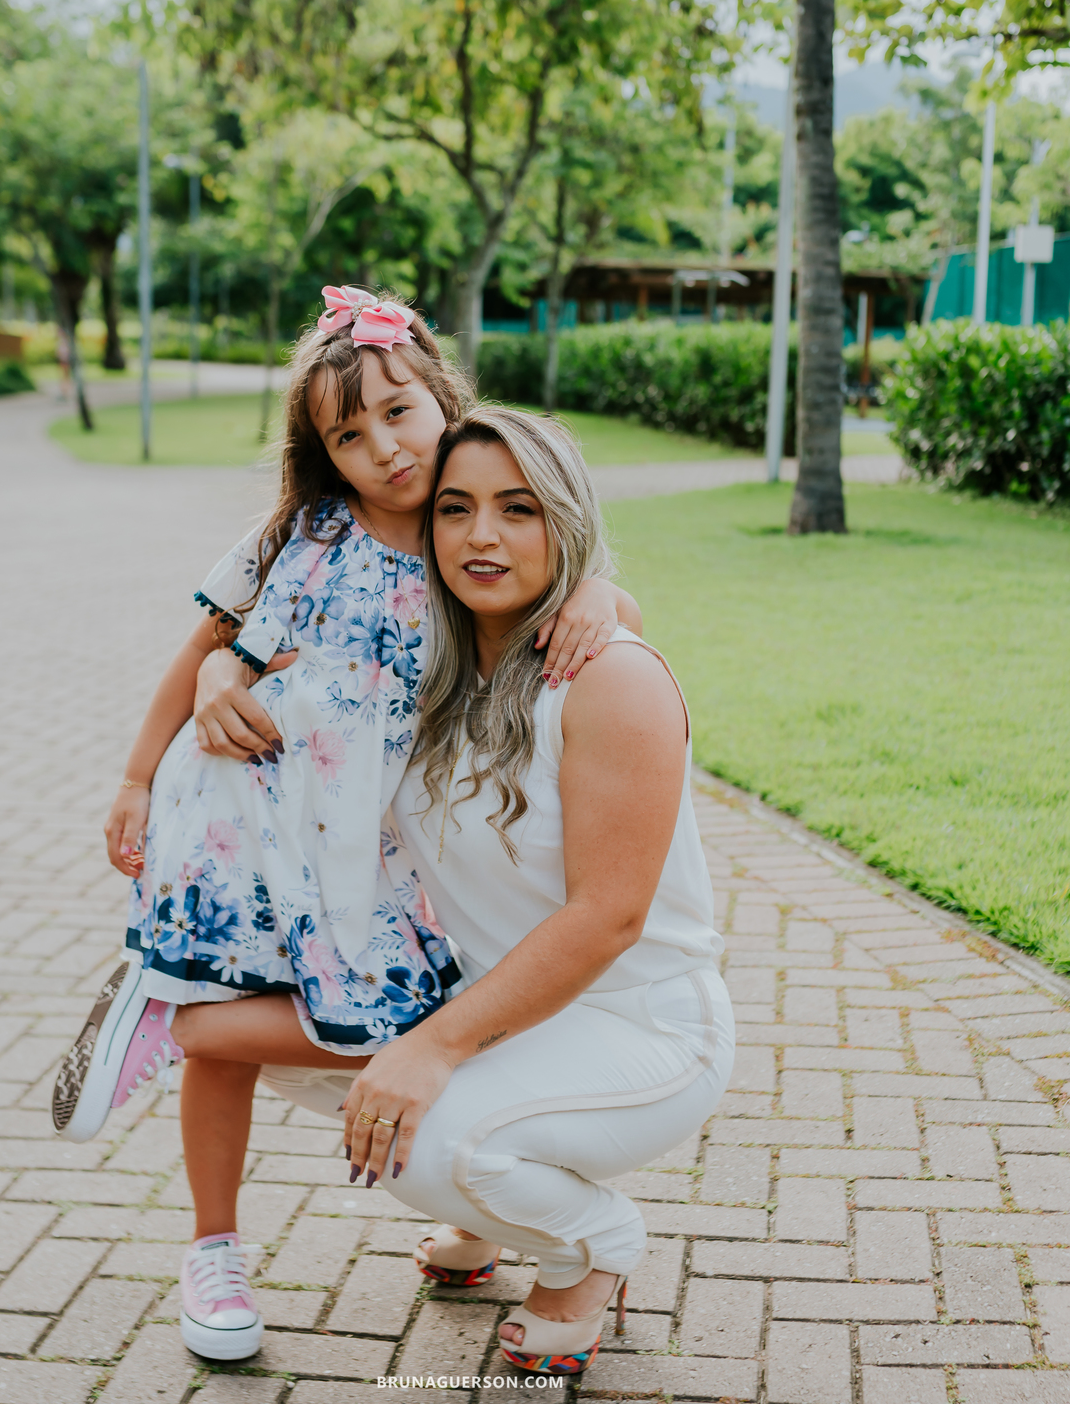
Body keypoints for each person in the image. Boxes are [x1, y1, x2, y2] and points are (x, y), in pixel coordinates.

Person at [51, 292, 640, 1364]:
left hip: (372, 849)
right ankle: (214, 1246)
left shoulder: (476, 532)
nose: (384, 448)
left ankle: (166, 1014)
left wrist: (606, 597)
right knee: (239, 1021)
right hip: (248, 808)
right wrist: (137, 776)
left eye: (399, 413)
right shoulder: (306, 531)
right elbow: (207, 648)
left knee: (396, 1022)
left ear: (443, 395)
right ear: (323, 453)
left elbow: (576, 593)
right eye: (349, 435)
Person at [246, 407, 734, 1376]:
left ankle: (590, 1247)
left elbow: (610, 917)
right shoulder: (431, 662)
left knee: (417, 1133)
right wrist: (228, 675)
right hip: (505, 1008)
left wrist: (433, 1047)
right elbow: (274, 653)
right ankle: (480, 1210)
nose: (481, 536)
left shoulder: (609, 677)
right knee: (274, 1035)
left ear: (565, 518)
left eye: (519, 509)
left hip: (642, 1025)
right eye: (455, 508)